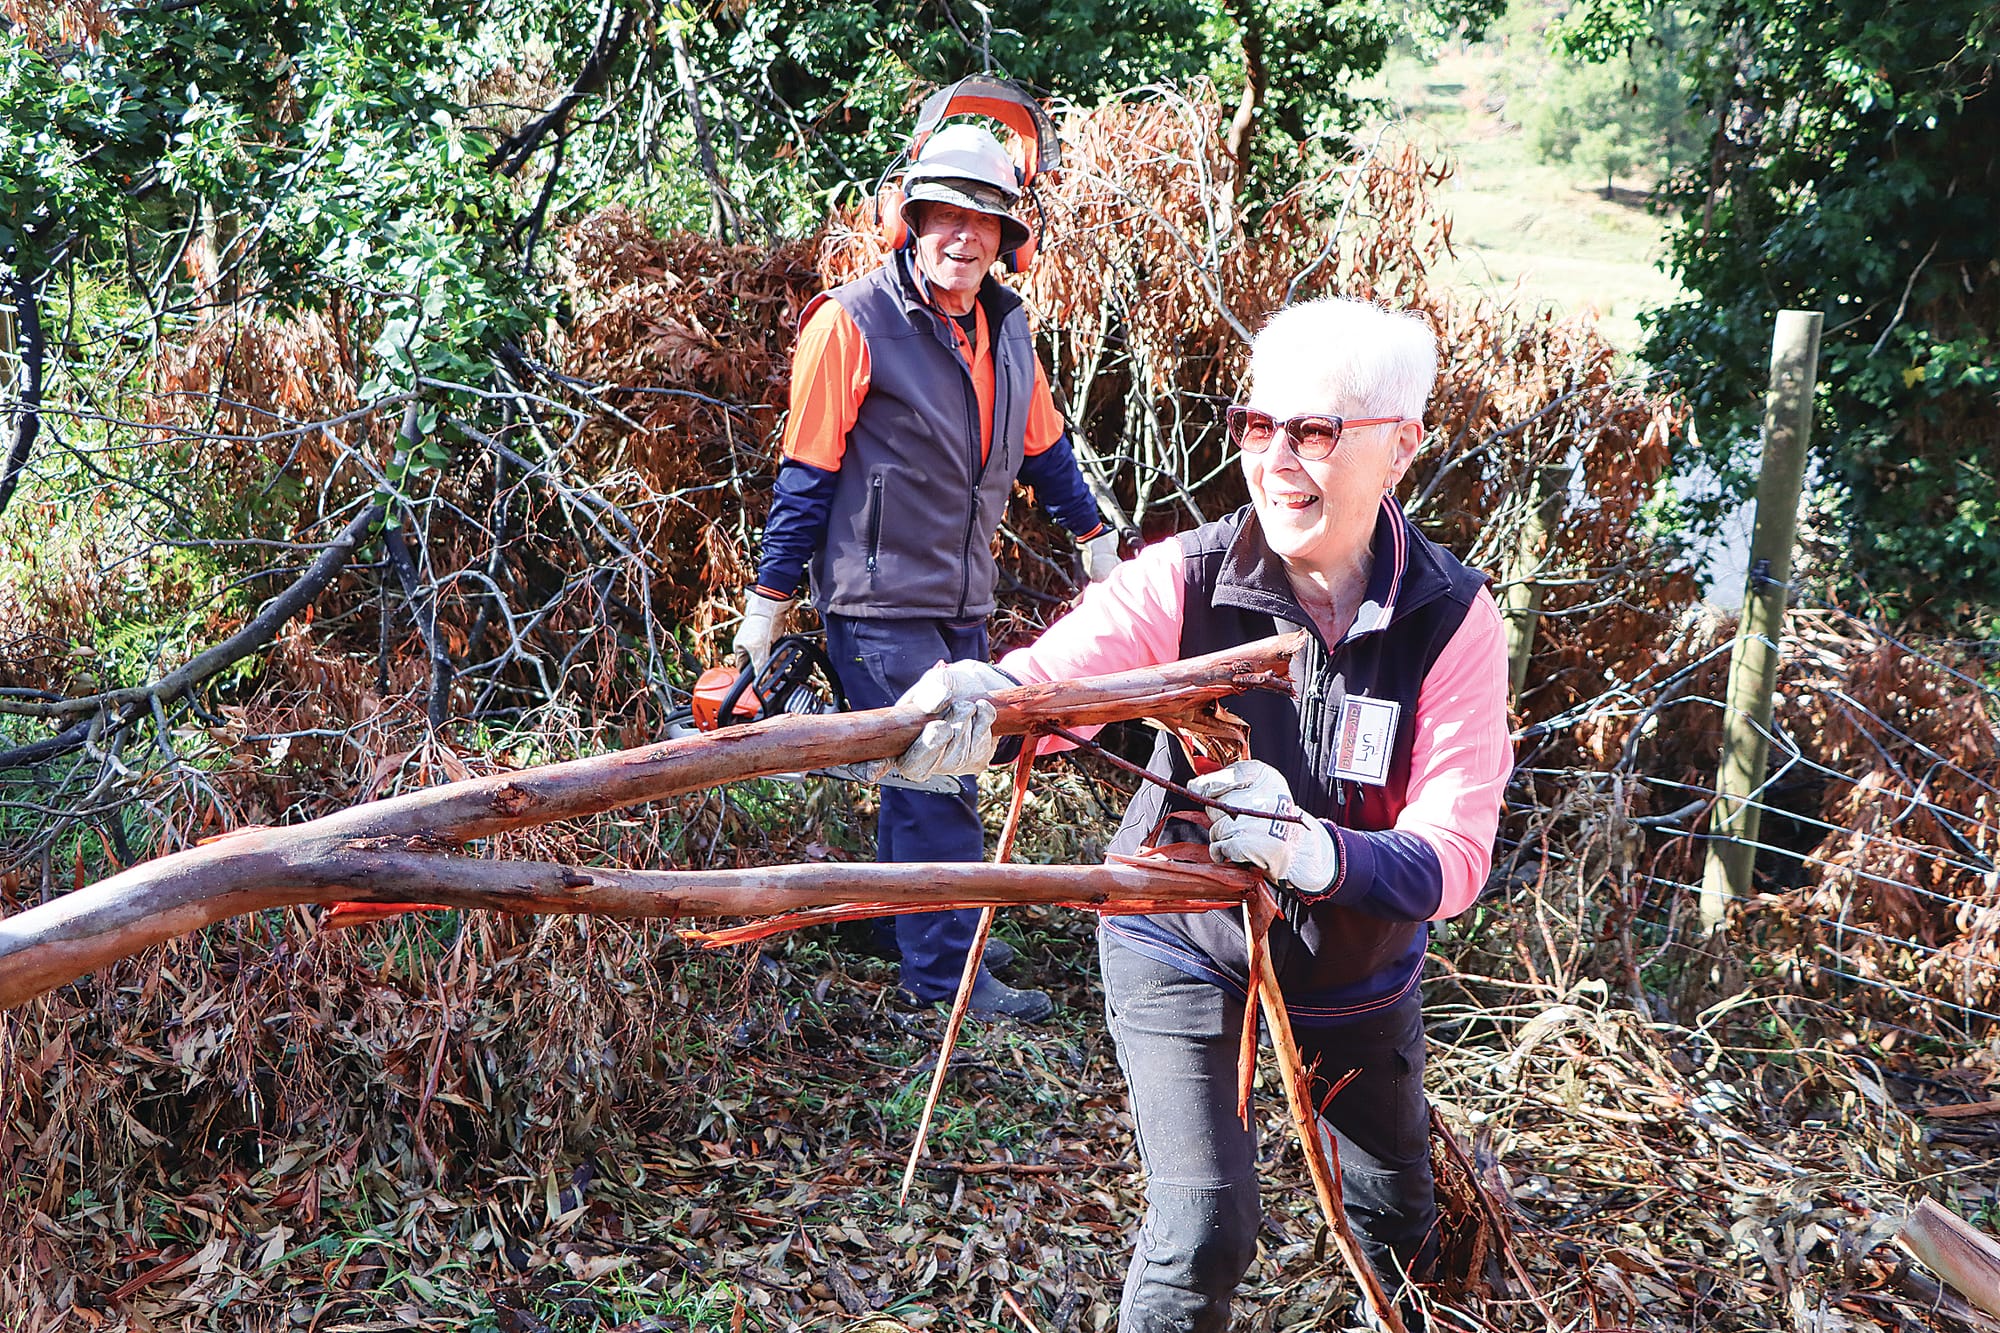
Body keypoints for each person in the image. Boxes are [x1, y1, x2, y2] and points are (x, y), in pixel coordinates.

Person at [875, 298, 1513, 1329]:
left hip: (1352, 967)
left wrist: (1308, 849)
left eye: (1314, 432)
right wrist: (972, 705)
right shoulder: (1190, 575)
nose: (1278, 462)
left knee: (1398, 1223)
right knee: (1205, 1225)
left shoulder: (1449, 618)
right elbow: (1048, 689)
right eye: (1257, 426)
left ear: (1400, 447)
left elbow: (1452, 855)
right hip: (1177, 934)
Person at [732, 114, 1122, 1022]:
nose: (963, 235)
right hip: (875, 600)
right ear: (911, 218)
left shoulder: (1007, 330)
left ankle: (915, 918)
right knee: (934, 773)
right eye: (945, 213)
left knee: (943, 765)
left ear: (1007, 239)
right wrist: (767, 606)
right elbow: (807, 472)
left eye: (983, 220)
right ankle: (945, 980)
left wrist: (1096, 543)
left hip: (960, 596)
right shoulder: (851, 321)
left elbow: (1046, 451)